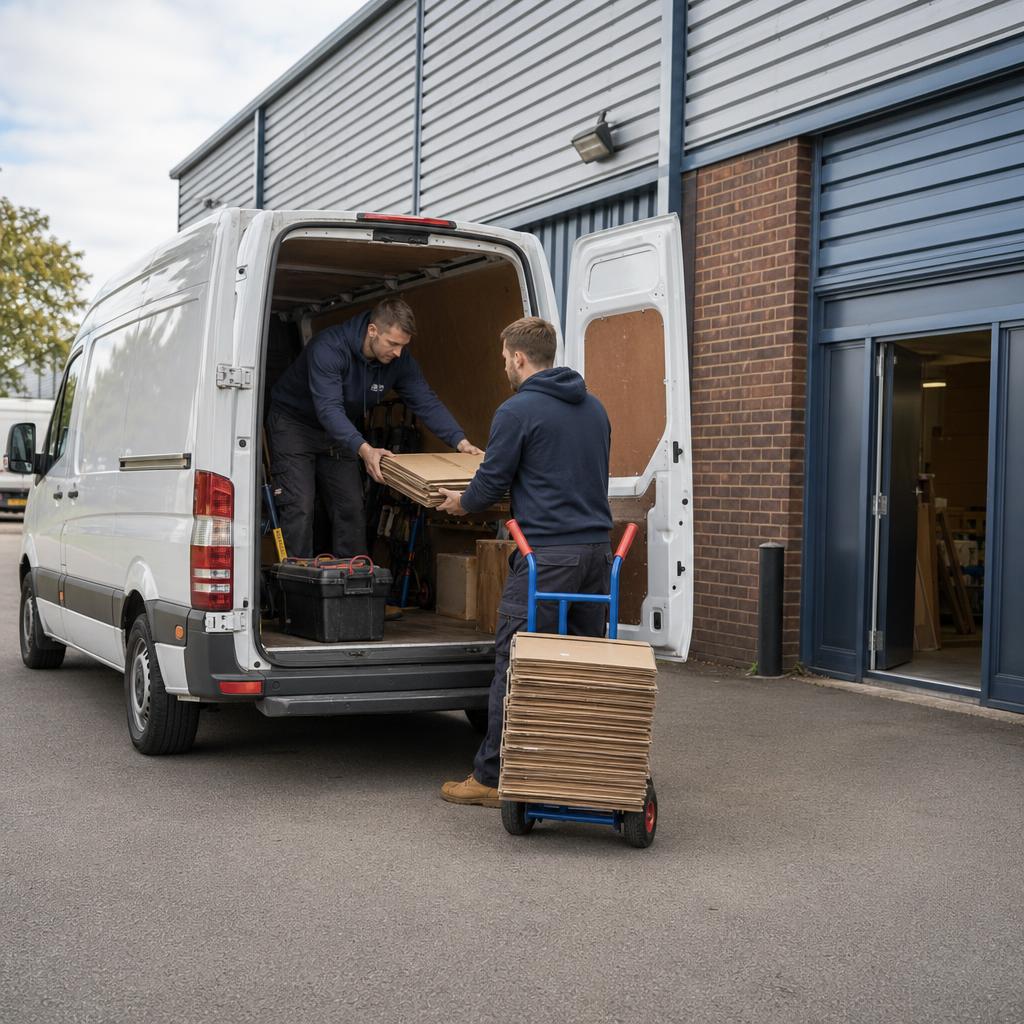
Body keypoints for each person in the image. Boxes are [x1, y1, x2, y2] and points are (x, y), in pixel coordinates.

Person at [436, 316, 613, 808]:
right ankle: (576, 770)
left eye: (504, 361)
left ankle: (491, 778)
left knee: (517, 664)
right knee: (581, 665)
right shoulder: (595, 409)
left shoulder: (517, 411)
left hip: (547, 559)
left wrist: (461, 503)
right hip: (596, 556)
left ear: (518, 357)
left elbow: (491, 482)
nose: (505, 369)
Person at [268, 297, 481, 558]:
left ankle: (354, 584)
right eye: (392, 344)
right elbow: (328, 409)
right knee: (300, 507)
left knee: (351, 508)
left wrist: (460, 442)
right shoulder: (329, 347)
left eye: (403, 346)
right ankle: (298, 585)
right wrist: (365, 449)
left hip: (342, 428)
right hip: (295, 425)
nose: (398, 353)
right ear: (372, 331)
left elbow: (425, 401)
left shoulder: (399, 361)